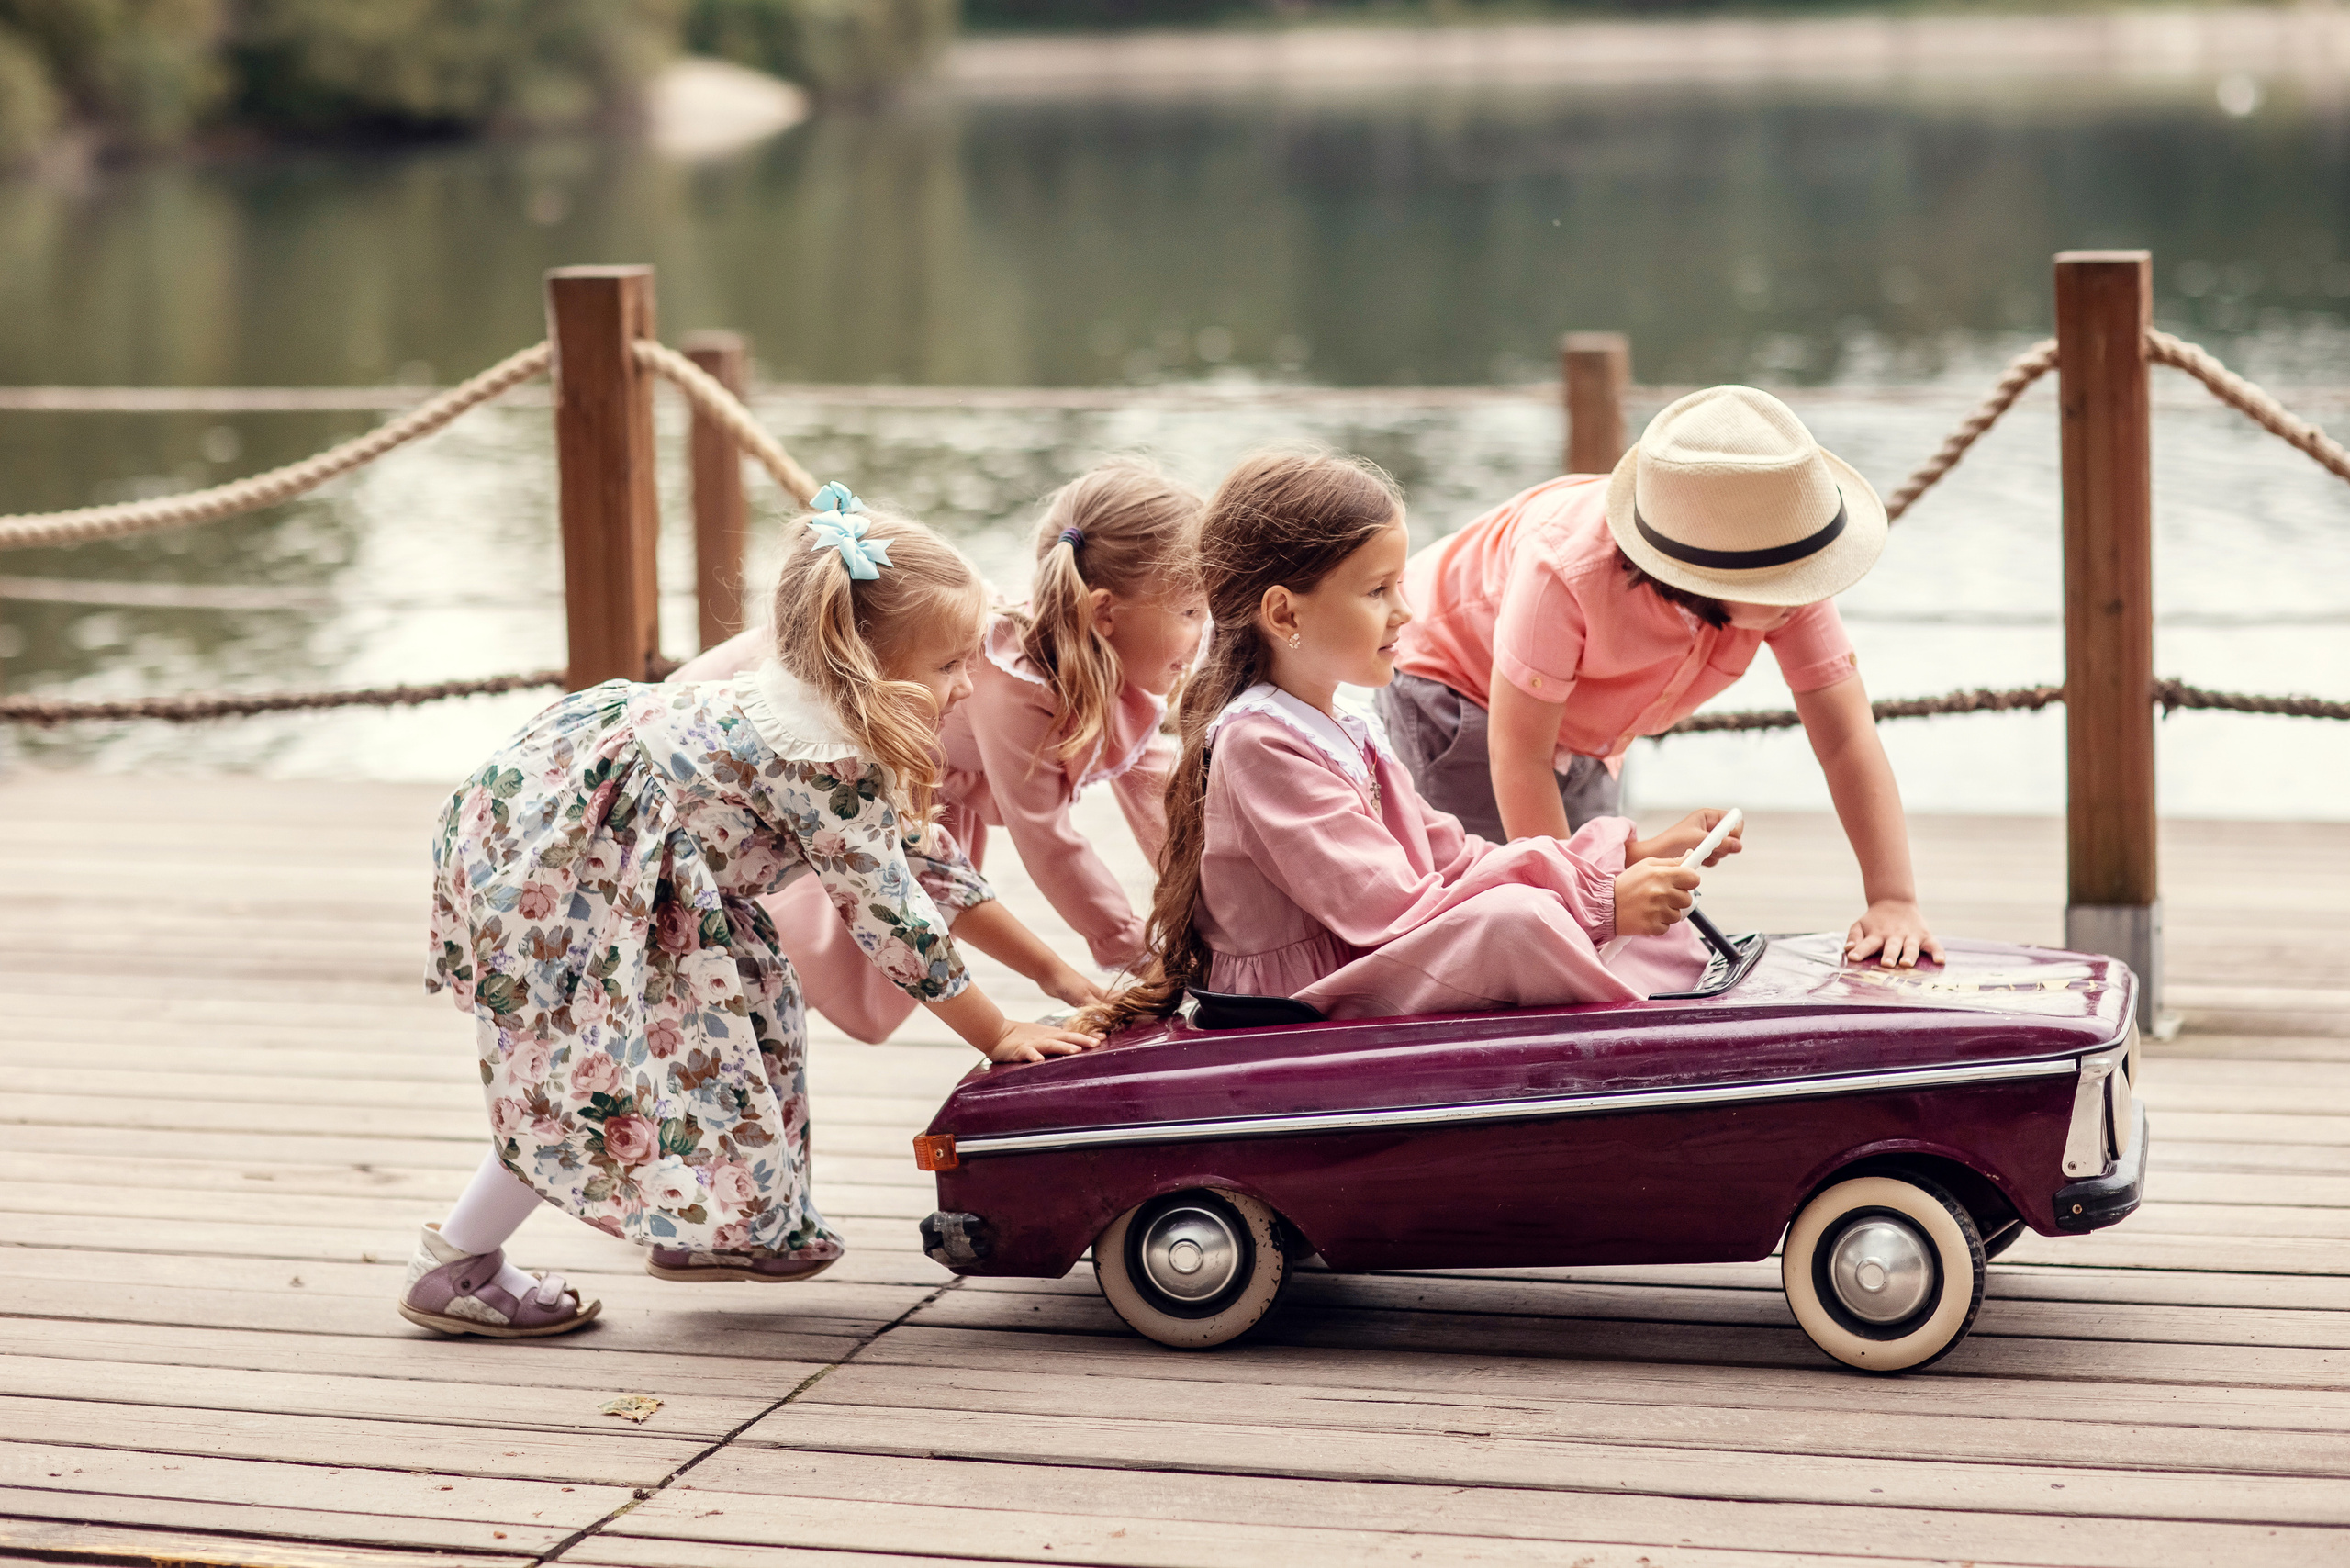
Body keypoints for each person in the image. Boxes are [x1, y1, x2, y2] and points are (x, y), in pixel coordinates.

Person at [398, 486, 1100, 1339]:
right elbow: (894, 919)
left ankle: (715, 1226)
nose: (966, 685)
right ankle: (456, 1260)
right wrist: (997, 1032)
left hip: (646, 867)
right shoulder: (822, 757)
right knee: (590, 1079)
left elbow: (931, 868)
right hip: (575, 873)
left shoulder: (827, 718)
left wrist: (1059, 976)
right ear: (864, 663)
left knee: (747, 1020)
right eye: (948, 665)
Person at [1083, 448, 1738, 1036]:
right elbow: (1389, 907)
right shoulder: (1259, 745)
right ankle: (1638, 1034)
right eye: (1377, 590)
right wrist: (1597, 902)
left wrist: (1619, 861)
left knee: (1555, 911)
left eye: (1398, 585)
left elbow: (1450, 856)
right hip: (1301, 996)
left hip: (1365, 953)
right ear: (1284, 613)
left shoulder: (1346, 729)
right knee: (1518, 922)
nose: (1406, 611)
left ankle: (1658, 998)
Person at [1381, 385, 1943, 969]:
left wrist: (1893, 900)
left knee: (1603, 920)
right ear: (1709, 579)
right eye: (1792, 581)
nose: (1812, 592)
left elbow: (1846, 738)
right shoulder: (1565, 570)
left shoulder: (1783, 571)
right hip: (1458, 685)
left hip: (1584, 724)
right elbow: (1520, 754)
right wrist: (1582, 908)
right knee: (1492, 910)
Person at [672, 458, 1206, 1042]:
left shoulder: (896, 737)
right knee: (745, 959)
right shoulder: (850, 756)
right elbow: (906, 910)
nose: (969, 684)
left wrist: (1085, 969)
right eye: (1190, 613)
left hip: (782, 805)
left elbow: (939, 866)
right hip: (686, 797)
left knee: (774, 985)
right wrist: (1009, 1024)